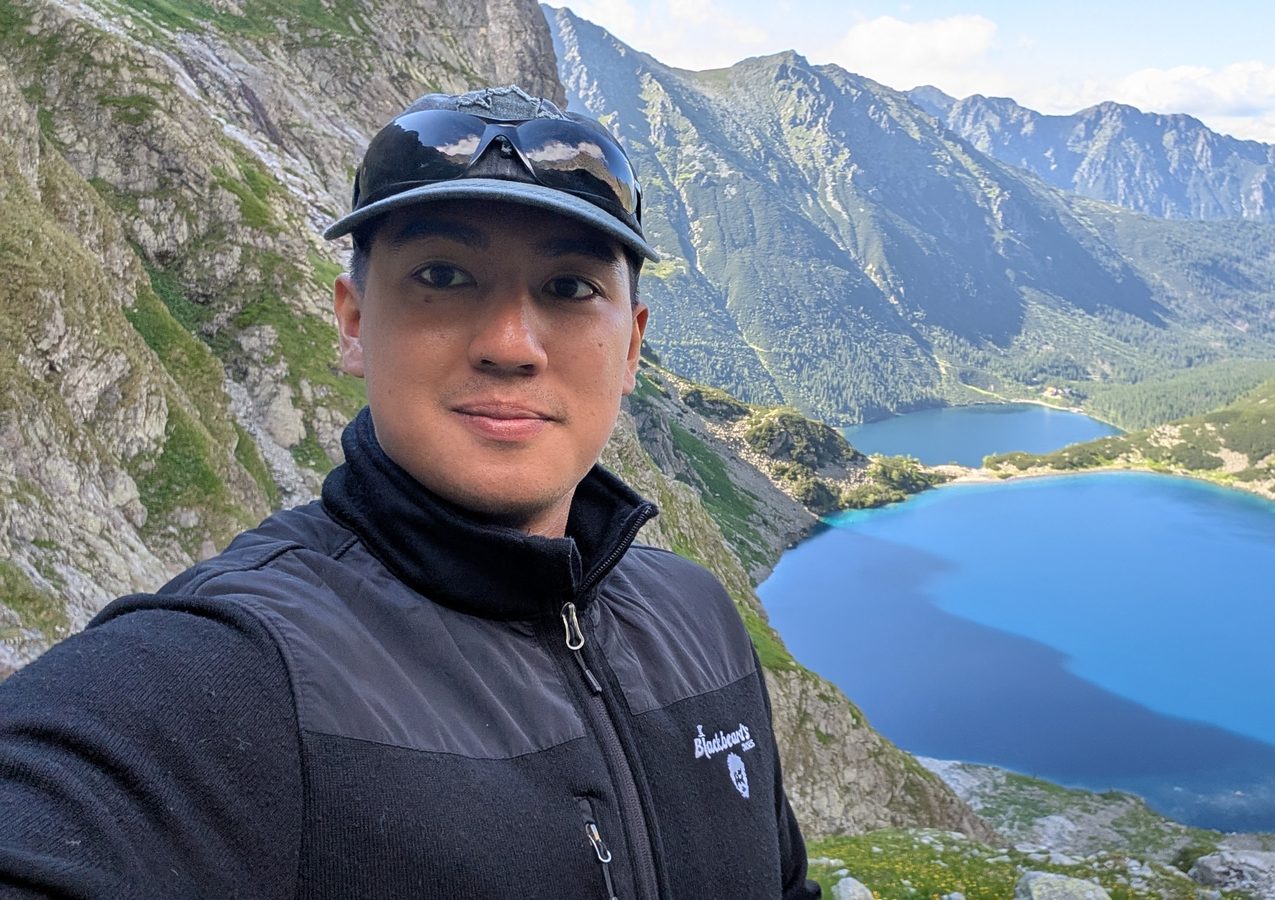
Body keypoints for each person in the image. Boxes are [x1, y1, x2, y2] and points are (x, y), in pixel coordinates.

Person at [0, 85, 819, 899]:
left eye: (569, 288)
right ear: (354, 323)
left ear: (632, 346)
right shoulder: (235, 668)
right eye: (443, 274)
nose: (511, 344)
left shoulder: (699, 618)